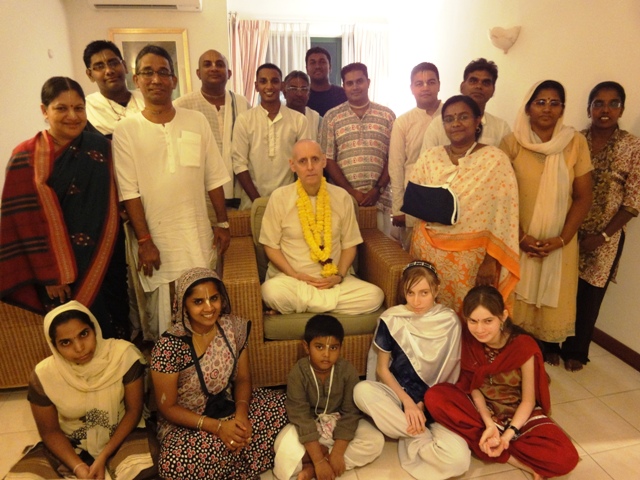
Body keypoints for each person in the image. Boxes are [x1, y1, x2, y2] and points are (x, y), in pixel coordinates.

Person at [113, 45, 231, 339]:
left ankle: (207, 371)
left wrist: (223, 222)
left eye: (163, 72)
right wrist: (145, 240)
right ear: (136, 79)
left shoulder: (195, 121)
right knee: (165, 315)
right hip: (157, 240)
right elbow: (129, 191)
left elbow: (213, 177)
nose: (156, 79)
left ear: (174, 80)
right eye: (148, 72)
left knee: (204, 301)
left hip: (196, 233)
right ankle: (170, 375)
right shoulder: (126, 130)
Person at [0, 76, 128, 339]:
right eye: (61, 108)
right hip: (56, 274)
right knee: (73, 335)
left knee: (114, 327)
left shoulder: (101, 148)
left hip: (104, 259)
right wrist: (50, 274)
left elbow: (115, 197)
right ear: (44, 111)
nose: (72, 116)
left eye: (79, 108)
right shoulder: (25, 156)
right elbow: (21, 223)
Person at [426, 285, 579, 479]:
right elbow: (474, 388)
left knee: (566, 458)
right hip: (483, 410)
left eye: (488, 321)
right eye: (473, 321)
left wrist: (507, 436)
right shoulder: (469, 339)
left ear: (503, 316)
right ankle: (510, 456)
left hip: (517, 412)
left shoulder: (523, 346)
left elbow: (528, 401)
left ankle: (491, 445)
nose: (479, 329)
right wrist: (489, 424)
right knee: (435, 396)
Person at [150, 267, 288, 479]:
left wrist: (241, 418)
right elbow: (167, 407)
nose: (209, 308)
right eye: (198, 302)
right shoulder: (169, 346)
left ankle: (232, 457)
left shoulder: (232, 327)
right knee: (173, 464)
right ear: (184, 306)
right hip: (189, 424)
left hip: (229, 406)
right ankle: (248, 458)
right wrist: (218, 428)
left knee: (284, 405)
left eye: (214, 298)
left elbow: (242, 379)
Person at [5, 301, 155, 480]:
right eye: (66, 342)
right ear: (54, 345)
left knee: (143, 471)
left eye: (84, 334)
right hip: (71, 441)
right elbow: (50, 432)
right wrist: (77, 467)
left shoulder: (123, 356)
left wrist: (103, 456)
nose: (79, 348)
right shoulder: (44, 375)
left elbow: (134, 411)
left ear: (94, 328)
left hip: (122, 434)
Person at [500, 80, 593, 365]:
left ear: (563, 109)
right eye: (540, 102)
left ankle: (542, 351)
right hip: (517, 238)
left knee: (552, 300)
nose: (547, 108)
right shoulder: (511, 142)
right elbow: (500, 196)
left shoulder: (574, 142)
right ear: (528, 107)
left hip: (559, 241)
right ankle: (515, 354)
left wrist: (562, 239)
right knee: (517, 299)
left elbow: (583, 196)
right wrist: (520, 237)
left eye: (555, 103)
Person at [354, 261, 469, 480]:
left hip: (436, 403)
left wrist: (424, 404)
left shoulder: (450, 321)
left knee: (461, 461)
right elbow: (382, 370)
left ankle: (414, 435)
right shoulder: (392, 319)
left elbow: (451, 374)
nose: (416, 301)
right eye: (411, 293)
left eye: (424, 293)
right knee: (361, 391)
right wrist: (408, 403)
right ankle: (421, 433)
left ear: (436, 290)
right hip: (400, 400)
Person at [410, 95, 520, 313]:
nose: (456, 123)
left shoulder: (495, 159)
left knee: (472, 314)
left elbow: (505, 216)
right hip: (428, 253)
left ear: (478, 120)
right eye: (449, 119)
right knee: (429, 312)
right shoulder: (430, 157)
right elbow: (415, 200)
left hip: (472, 262)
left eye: (463, 117)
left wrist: (490, 261)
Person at [561, 82, 640, 371]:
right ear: (589, 108)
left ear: (621, 108)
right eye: (599, 103)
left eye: (613, 103)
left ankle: (576, 351)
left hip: (604, 238)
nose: (605, 110)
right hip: (568, 230)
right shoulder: (574, 140)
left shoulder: (632, 146)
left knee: (590, 295)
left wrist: (603, 235)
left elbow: (633, 201)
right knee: (562, 289)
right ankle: (551, 343)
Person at [260, 139, 384, 315]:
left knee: (374, 296)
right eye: (303, 161)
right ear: (292, 165)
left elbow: (350, 245)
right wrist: (295, 276)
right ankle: (325, 307)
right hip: (292, 281)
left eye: (315, 159)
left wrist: (338, 276)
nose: (310, 167)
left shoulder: (342, 197)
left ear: (324, 161)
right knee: (270, 292)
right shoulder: (279, 198)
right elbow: (271, 246)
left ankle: (300, 307)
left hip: (334, 282)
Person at [273, 315, 384, 480]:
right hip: (310, 428)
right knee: (280, 446)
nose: (326, 354)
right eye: (319, 347)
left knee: (376, 441)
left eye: (333, 348)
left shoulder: (347, 371)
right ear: (306, 346)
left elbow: (351, 414)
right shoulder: (298, 373)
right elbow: (300, 417)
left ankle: (316, 467)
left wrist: (338, 452)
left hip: (337, 425)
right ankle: (320, 462)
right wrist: (318, 460)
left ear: (340, 348)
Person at [321, 62, 395, 234]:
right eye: (350, 83)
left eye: (359, 81)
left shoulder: (387, 116)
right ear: (343, 86)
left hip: (379, 200)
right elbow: (328, 159)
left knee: (380, 254)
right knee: (345, 252)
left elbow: (394, 158)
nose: (355, 87)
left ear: (368, 82)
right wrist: (350, 191)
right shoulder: (331, 117)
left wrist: (377, 189)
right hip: (342, 200)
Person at [174, 49, 251, 210]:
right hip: (199, 194)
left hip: (238, 191)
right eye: (207, 64)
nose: (214, 68)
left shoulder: (242, 103)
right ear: (198, 73)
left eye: (220, 64)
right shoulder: (182, 106)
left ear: (229, 73)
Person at [232, 63, 309, 210]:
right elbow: (239, 164)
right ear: (256, 86)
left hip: (290, 202)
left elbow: (304, 162)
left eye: (274, 81)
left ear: (282, 85)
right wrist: (258, 202)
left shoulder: (298, 120)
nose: (269, 86)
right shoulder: (244, 120)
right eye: (263, 81)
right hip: (252, 204)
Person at [389, 62, 442, 250]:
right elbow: (396, 167)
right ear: (412, 88)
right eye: (419, 83)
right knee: (415, 259)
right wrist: (398, 208)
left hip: (448, 199)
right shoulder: (403, 122)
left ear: (439, 85)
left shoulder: (452, 116)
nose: (425, 87)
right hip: (414, 201)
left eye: (431, 82)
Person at [421, 58, 511, 150]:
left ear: (493, 91)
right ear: (462, 87)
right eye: (473, 81)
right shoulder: (437, 125)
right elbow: (425, 161)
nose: (479, 86)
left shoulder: (501, 128)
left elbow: (504, 162)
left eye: (486, 83)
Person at [83, 40, 144, 138]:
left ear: (124, 66)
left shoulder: (146, 100)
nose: (109, 71)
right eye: (99, 66)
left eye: (113, 63)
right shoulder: (86, 109)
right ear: (90, 75)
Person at [305, 46, 347, 117]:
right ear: (307, 69)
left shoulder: (343, 94)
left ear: (330, 67)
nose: (317, 66)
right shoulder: (302, 95)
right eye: (313, 63)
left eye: (322, 62)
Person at [284, 70, 321, 141]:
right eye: (293, 89)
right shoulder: (278, 117)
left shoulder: (317, 120)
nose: (299, 94)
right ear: (284, 92)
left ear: (309, 93)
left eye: (304, 89)